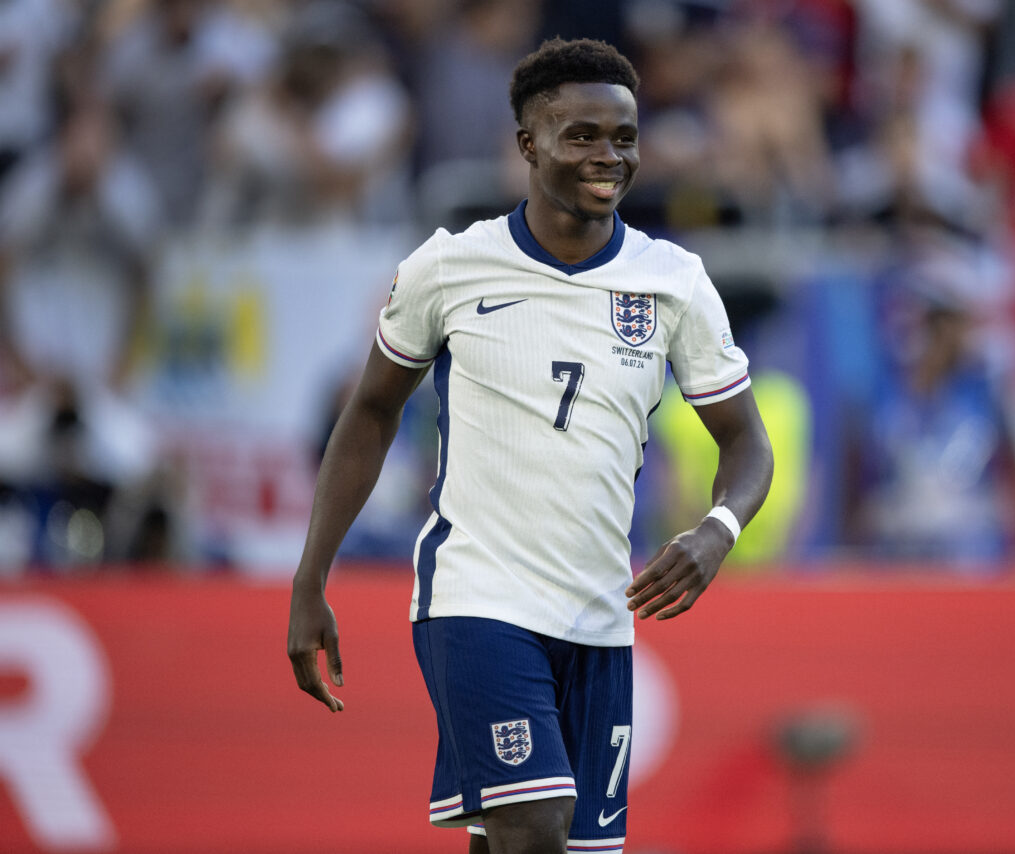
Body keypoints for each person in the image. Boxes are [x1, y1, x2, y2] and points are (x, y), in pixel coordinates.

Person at [287, 38, 773, 854]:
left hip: (598, 613)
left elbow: (746, 444)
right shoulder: (449, 268)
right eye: (580, 135)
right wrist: (311, 578)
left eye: (623, 137)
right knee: (534, 826)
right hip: (478, 598)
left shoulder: (674, 281)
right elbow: (370, 413)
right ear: (527, 145)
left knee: (525, 840)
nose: (607, 155)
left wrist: (716, 532)